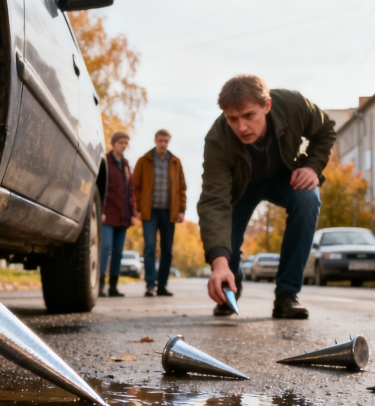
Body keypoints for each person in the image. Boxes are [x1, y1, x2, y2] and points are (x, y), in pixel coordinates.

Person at [197, 75, 336, 319]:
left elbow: (325, 130)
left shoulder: (293, 105)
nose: (241, 127)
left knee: (308, 198)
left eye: (249, 116)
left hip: (284, 177)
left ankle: (287, 296)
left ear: (267, 106)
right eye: (232, 119)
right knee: (226, 240)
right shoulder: (217, 140)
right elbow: (213, 202)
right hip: (241, 188)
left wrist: (313, 166)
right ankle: (229, 287)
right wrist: (219, 265)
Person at [133, 129, 187, 297]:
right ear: (155, 140)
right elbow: (135, 187)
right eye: (160, 140)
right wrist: (138, 208)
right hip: (150, 212)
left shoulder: (175, 162)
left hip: (169, 212)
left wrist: (181, 210)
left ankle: (162, 285)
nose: (163, 144)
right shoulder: (144, 161)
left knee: (167, 251)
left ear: (168, 142)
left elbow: (182, 188)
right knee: (149, 247)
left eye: (166, 141)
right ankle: (150, 284)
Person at [99, 131, 136, 297]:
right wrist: (101, 210)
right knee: (105, 248)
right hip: (108, 214)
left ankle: (113, 287)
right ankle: (99, 285)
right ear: (113, 144)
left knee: (118, 252)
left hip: (123, 216)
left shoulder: (126, 164)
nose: (123, 146)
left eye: (126, 143)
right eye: (121, 142)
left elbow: (131, 191)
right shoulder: (105, 161)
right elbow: (101, 188)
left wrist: (133, 213)